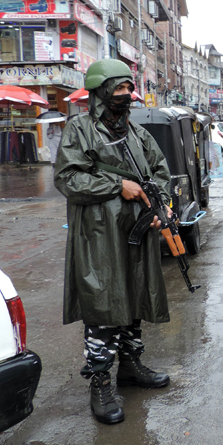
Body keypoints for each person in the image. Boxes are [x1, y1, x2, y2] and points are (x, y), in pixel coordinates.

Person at [54, 59, 172, 425]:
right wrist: (117, 185)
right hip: (99, 236)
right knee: (103, 303)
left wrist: (160, 205)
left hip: (137, 233)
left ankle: (131, 366)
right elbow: (68, 178)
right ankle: (101, 383)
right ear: (102, 92)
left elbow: (160, 171)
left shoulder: (137, 133)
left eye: (128, 89)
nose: (126, 95)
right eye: (119, 89)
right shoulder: (80, 129)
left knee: (134, 295)